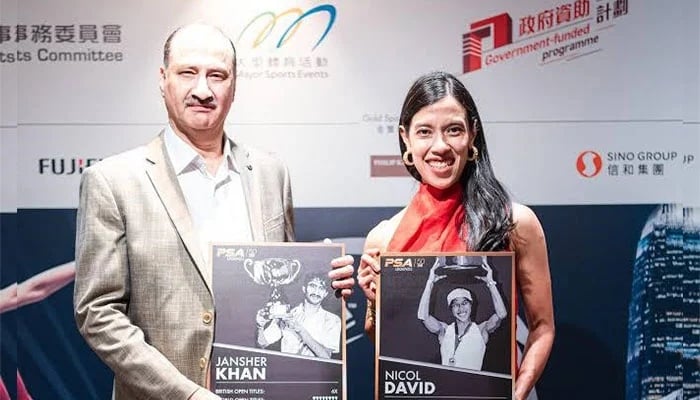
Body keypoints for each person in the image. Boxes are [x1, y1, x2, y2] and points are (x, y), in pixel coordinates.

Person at [73, 24, 354, 400]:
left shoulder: (271, 173)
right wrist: (185, 395)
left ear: (234, 86)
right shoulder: (112, 181)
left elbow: (282, 287)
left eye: (217, 75)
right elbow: (98, 313)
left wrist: (324, 277)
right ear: (163, 79)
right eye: (188, 72)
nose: (202, 90)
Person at [356, 71, 554, 400]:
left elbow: (543, 326)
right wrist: (376, 305)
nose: (440, 146)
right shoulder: (383, 238)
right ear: (405, 138)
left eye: (454, 130)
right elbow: (383, 341)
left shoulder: (514, 223)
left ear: (473, 134)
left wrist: (518, 392)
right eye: (424, 132)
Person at [417, 256, 506, 370]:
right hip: (447, 384)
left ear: (471, 305)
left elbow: (501, 314)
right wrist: (430, 282)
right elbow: (422, 316)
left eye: (464, 303)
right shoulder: (444, 330)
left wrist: (490, 283)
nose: (460, 308)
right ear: (451, 309)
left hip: (473, 385)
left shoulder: (481, 330)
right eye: (455, 304)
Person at [256, 272, 341, 359]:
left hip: (314, 371)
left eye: (321, 288)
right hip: (288, 369)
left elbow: (326, 356)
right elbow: (262, 343)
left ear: (325, 294)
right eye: (312, 286)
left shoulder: (333, 320)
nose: (316, 292)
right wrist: (260, 326)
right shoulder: (287, 315)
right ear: (304, 289)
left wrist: (300, 330)